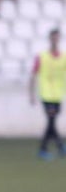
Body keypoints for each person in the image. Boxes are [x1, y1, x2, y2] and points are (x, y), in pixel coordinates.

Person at [30, 28, 66, 160]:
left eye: (57, 37)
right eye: (53, 37)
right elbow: (33, 75)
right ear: (50, 39)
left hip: (58, 95)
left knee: (52, 122)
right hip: (46, 95)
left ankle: (60, 146)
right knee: (51, 122)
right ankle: (44, 149)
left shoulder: (63, 57)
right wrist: (31, 94)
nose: (55, 40)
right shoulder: (42, 56)